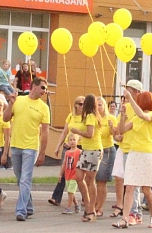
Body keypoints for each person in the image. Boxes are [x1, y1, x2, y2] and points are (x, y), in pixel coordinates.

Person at [3, 76, 50, 221]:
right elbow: (5, 119)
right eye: (43, 87)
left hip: (31, 147)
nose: (44, 91)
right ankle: (28, 206)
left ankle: (21, 210)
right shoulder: (19, 100)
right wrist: (10, 104)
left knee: (25, 179)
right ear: (34, 86)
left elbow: (45, 132)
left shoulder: (44, 107)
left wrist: (42, 153)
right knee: (20, 179)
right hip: (16, 145)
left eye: (46, 89)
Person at [113, 89, 152, 229]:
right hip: (134, 153)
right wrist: (122, 115)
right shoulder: (136, 119)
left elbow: (141, 113)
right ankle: (125, 218)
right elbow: (121, 130)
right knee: (130, 186)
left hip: (147, 154)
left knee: (146, 189)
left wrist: (130, 99)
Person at [49, 95, 85, 207]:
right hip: (68, 146)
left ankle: (85, 197)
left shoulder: (87, 117)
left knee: (80, 174)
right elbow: (65, 132)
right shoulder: (71, 116)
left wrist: (77, 140)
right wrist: (58, 146)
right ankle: (56, 197)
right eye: (80, 104)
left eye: (84, 104)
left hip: (80, 147)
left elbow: (88, 133)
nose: (82, 106)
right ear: (75, 105)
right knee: (65, 171)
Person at [74, 94, 102, 223]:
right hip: (86, 150)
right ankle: (88, 203)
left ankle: (91, 209)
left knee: (90, 179)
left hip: (93, 150)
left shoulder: (90, 116)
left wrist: (77, 131)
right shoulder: (87, 116)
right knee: (79, 177)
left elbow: (90, 134)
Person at [94, 96, 117, 217]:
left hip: (107, 150)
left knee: (101, 180)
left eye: (100, 105)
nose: (98, 107)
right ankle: (94, 203)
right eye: (96, 105)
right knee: (93, 179)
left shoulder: (111, 118)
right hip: (95, 150)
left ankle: (99, 207)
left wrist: (112, 127)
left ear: (104, 106)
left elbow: (116, 135)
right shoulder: (92, 118)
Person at [61, 133, 81, 214]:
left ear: (77, 141)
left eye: (74, 140)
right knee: (70, 191)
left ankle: (68, 207)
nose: (72, 142)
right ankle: (76, 204)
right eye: (70, 140)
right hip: (67, 175)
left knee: (70, 192)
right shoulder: (67, 153)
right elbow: (64, 163)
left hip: (75, 175)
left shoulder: (79, 152)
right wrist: (60, 174)